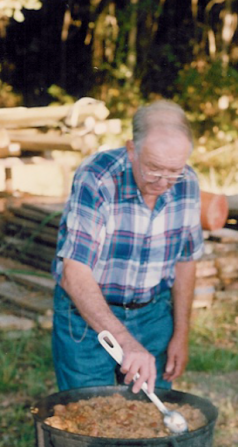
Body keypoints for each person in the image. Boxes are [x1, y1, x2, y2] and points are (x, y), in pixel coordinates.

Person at [52, 99, 204, 393]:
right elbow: (75, 273)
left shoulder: (188, 183)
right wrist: (125, 341)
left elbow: (186, 261)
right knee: (89, 419)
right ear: (131, 148)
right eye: (154, 169)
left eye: (174, 171)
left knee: (147, 420)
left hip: (153, 315)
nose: (163, 182)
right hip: (87, 316)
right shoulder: (97, 178)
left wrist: (181, 334)